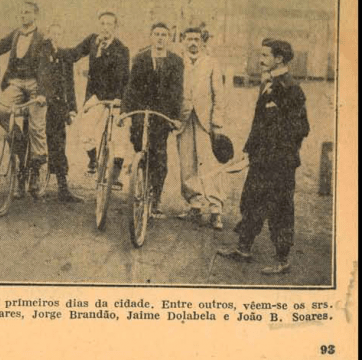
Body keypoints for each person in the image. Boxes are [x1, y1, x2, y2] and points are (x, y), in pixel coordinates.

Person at [217, 39, 309, 275]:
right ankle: (243, 249)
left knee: (280, 210)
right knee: (251, 201)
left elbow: (301, 128)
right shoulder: (267, 83)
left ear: (279, 59)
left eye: (265, 55)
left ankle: (282, 260)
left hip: (280, 163)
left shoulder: (291, 88)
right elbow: (258, 123)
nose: (260, 60)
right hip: (260, 158)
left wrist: (274, 152)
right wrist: (249, 149)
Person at [53, 10, 130, 182]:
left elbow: (125, 78)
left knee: (119, 136)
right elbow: (74, 54)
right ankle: (94, 160)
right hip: (96, 96)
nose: (105, 27)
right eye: (102, 24)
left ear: (115, 27)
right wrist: (56, 50)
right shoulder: (93, 41)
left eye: (109, 24)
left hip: (116, 98)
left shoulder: (122, 49)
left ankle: (114, 177)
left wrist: (120, 100)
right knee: (85, 130)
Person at [122, 22, 184, 218]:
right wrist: (125, 112)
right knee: (138, 146)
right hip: (141, 110)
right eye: (156, 34)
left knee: (159, 156)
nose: (160, 38)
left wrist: (175, 118)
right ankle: (138, 181)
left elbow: (177, 91)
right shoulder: (140, 58)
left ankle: (155, 198)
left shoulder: (176, 61)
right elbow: (131, 87)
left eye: (164, 35)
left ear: (168, 38)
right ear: (151, 37)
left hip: (161, 114)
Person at [0, 1, 53, 197]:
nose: (23, 15)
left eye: (27, 12)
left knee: (36, 127)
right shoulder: (16, 34)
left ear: (35, 15)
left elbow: (45, 68)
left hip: (36, 84)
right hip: (17, 82)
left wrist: (42, 93)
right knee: (1, 109)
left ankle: (35, 169)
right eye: (21, 12)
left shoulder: (44, 37)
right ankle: (17, 138)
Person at [175, 27, 227, 229]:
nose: (193, 43)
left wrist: (217, 123)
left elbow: (219, 94)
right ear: (183, 41)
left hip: (206, 121)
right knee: (187, 163)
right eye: (189, 39)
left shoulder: (211, 63)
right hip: (184, 119)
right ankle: (194, 205)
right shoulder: (178, 62)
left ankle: (216, 209)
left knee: (210, 165)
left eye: (196, 39)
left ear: (203, 42)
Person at [44, 23, 82, 202]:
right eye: (53, 34)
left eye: (59, 34)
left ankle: (62, 187)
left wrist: (72, 108)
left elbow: (69, 84)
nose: (55, 37)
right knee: (35, 140)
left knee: (58, 143)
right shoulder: (41, 53)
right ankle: (25, 182)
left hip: (57, 105)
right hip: (41, 102)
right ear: (48, 35)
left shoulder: (65, 56)